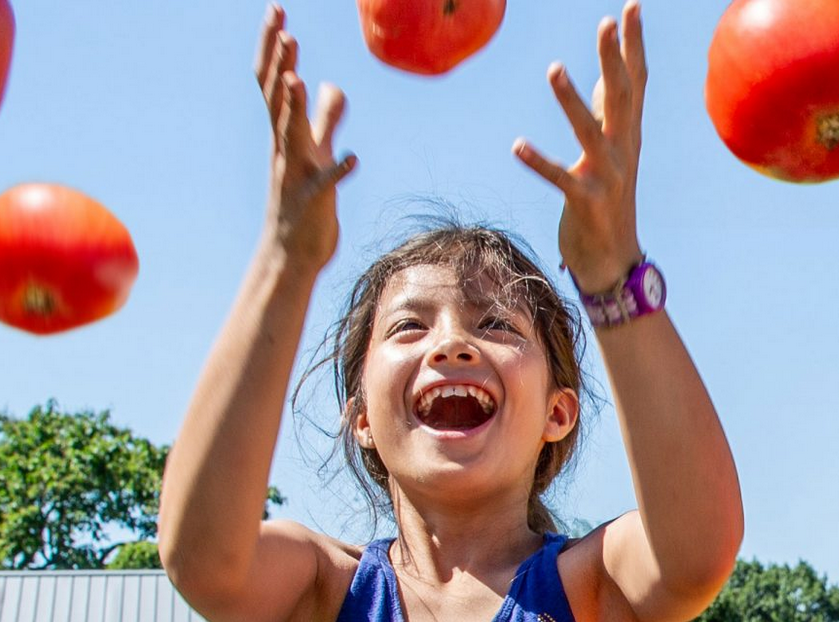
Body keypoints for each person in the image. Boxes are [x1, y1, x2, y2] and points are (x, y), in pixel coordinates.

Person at [157, 2, 745, 620]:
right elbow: (202, 560)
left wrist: (610, 270)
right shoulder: (325, 590)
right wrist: (285, 261)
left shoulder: (592, 586)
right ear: (359, 417)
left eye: (496, 324)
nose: (451, 345)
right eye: (409, 325)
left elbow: (694, 554)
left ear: (558, 411)